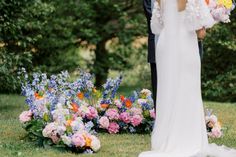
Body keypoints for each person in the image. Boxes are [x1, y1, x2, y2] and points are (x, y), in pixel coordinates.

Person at [139, 0, 236, 156]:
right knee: (188, 92)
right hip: (184, 44)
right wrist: (218, 12)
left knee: (167, 93)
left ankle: (165, 140)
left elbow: (156, 26)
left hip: (165, 45)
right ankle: (187, 139)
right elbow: (200, 29)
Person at [143, 0, 205, 110]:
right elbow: (200, 30)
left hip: (167, 40)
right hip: (181, 42)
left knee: (175, 86)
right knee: (178, 85)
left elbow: (155, 25)